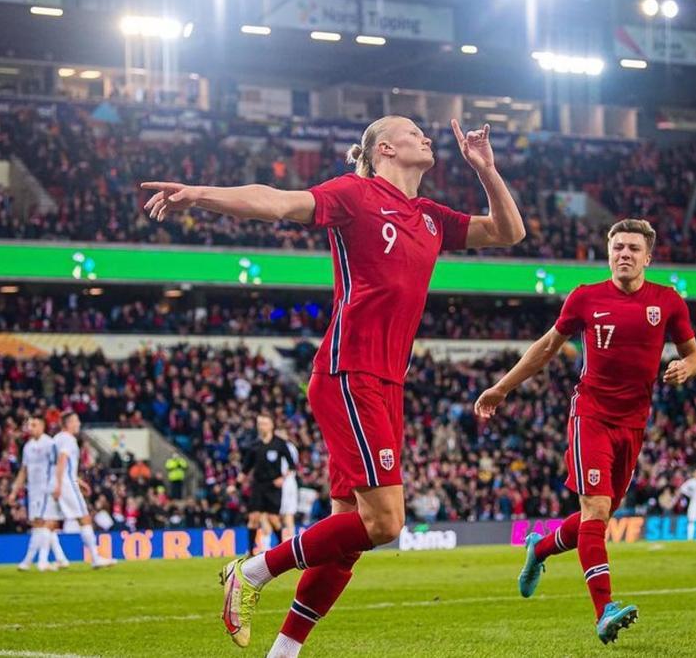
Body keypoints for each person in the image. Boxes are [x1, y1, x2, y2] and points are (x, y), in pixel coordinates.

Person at [142, 115, 523, 657]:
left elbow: (510, 232)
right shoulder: (355, 193)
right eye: (415, 132)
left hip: (387, 382)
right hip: (350, 373)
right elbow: (277, 201)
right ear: (386, 148)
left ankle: (283, 653)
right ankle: (250, 571)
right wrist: (198, 195)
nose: (428, 138)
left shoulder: (432, 217)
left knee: (349, 536)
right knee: (386, 522)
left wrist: (486, 170)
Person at [474, 218, 696, 645]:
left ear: (647, 257)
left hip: (634, 423)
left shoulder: (668, 302)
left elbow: (693, 353)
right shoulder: (586, 298)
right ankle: (604, 610)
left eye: (634, 248)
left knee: (597, 519)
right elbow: (545, 348)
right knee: (596, 511)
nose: (625, 254)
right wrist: (501, 388)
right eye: (618, 247)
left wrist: (687, 367)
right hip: (591, 415)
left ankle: (539, 549)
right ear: (609, 252)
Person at [52, 412, 115, 569]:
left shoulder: (56, 439)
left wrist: (77, 481)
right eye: (76, 421)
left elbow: (59, 466)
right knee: (84, 518)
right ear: (68, 424)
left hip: (56, 482)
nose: (78, 424)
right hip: (65, 484)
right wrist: (61, 484)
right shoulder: (68, 439)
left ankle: (59, 558)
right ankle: (95, 558)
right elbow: (62, 462)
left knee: (49, 523)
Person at [11, 416, 61, 571]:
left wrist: (58, 486)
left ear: (43, 426)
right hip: (33, 491)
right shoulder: (28, 447)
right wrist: (14, 491)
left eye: (34, 424)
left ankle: (36, 560)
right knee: (39, 525)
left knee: (45, 523)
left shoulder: (50, 444)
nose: (30, 427)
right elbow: (23, 471)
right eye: (29, 425)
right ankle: (59, 559)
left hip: (47, 488)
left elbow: (59, 467)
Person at [243, 416, 291, 554]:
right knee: (253, 518)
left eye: (264, 423)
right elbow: (246, 468)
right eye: (259, 424)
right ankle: (250, 552)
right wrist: (236, 484)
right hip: (258, 485)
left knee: (273, 519)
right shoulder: (254, 445)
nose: (261, 426)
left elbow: (292, 466)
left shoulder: (280, 444)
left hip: (273, 487)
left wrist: (282, 478)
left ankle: (283, 550)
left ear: (271, 426)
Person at [276, 427, 300, 542]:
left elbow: (289, 467)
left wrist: (281, 478)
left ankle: (285, 540)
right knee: (288, 512)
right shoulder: (292, 447)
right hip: (291, 482)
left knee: (282, 512)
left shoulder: (282, 448)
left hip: (284, 482)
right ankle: (291, 539)